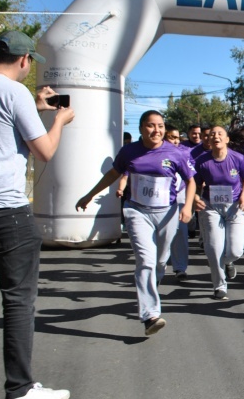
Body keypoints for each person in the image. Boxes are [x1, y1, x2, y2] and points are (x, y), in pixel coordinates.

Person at [0, 30, 74, 399]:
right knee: (18, 300)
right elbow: (45, 151)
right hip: (6, 210)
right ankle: (20, 388)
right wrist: (61, 120)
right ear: (24, 60)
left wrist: (36, 106)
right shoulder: (13, 92)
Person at [76, 110, 195, 335]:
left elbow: (191, 181)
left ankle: (153, 285)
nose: (156, 130)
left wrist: (187, 206)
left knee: (160, 261)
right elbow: (112, 174)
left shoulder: (176, 153)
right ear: (141, 128)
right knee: (145, 261)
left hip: (167, 212)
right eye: (151, 125)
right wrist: (89, 195)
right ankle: (150, 315)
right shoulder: (129, 151)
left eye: (160, 126)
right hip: (137, 211)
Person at [193, 126, 244, 300]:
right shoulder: (201, 161)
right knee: (214, 248)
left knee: (235, 250)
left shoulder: (238, 158)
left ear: (227, 139)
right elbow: (193, 184)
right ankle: (219, 286)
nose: (215, 136)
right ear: (208, 140)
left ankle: (228, 262)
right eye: (212, 134)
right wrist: (195, 197)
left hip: (234, 206)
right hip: (211, 207)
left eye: (220, 134)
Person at [165, 125, 190, 279]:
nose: (175, 141)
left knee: (181, 232)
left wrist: (190, 202)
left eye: (177, 138)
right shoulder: (153, 152)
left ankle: (180, 268)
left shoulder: (185, 153)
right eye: (171, 137)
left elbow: (192, 178)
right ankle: (157, 265)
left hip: (179, 196)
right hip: (157, 200)